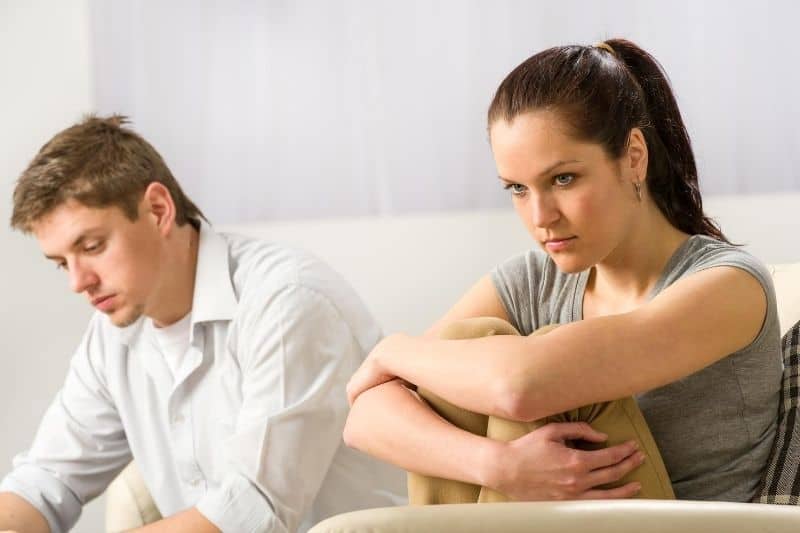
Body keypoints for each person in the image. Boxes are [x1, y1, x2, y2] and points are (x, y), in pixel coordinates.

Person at [343, 38, 782, 503]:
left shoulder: (729, 284)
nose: (540, 216)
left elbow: (522, 388)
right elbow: (364, 418)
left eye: (563, 179)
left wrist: (393, 350)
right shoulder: (532, 281)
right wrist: (499, 466)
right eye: (517, 188)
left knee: (535, 366)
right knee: (466, 346)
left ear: (633, 155)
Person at [0, 115, 404, 533]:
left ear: (158, 210)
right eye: (62, 263)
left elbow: (252, 512)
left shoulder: (286, 301)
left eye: (92, 246)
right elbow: (45, 480)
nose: (77, 282)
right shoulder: (111, 336)